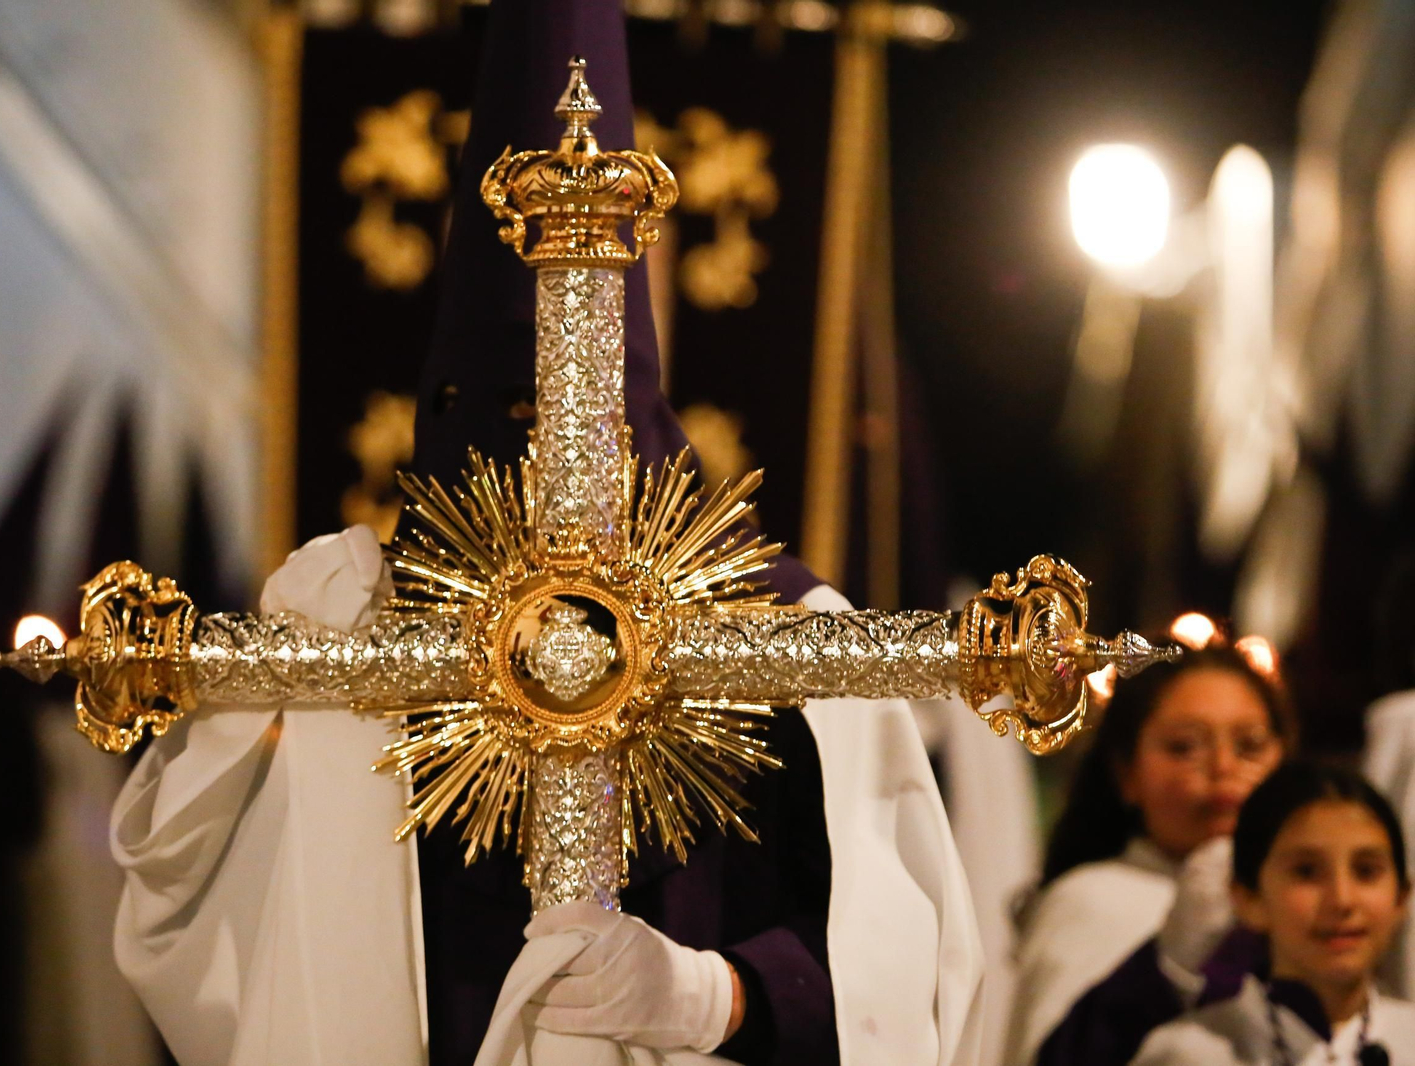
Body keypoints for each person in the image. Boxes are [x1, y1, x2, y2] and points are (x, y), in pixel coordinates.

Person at [107, 0, 985, 1062]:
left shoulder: (789, 632)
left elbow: (903, 947)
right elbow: (198, 915)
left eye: (581, 405)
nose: (550, 464)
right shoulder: (345, 620)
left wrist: (719, 994)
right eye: (504, 410)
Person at [1005, 640, 1291, 1066]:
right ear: (1127, 773)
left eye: (1249, 745)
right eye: (1184, 747)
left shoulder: (1304, 905)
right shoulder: (1093, 902)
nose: (1223, 766)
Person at [1131, 762, 1415, 1064]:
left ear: (1401, 896)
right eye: (1306, 872)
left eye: (1366, 871)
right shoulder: (1189, 1052)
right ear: (1249, 898)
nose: (1342, 900)